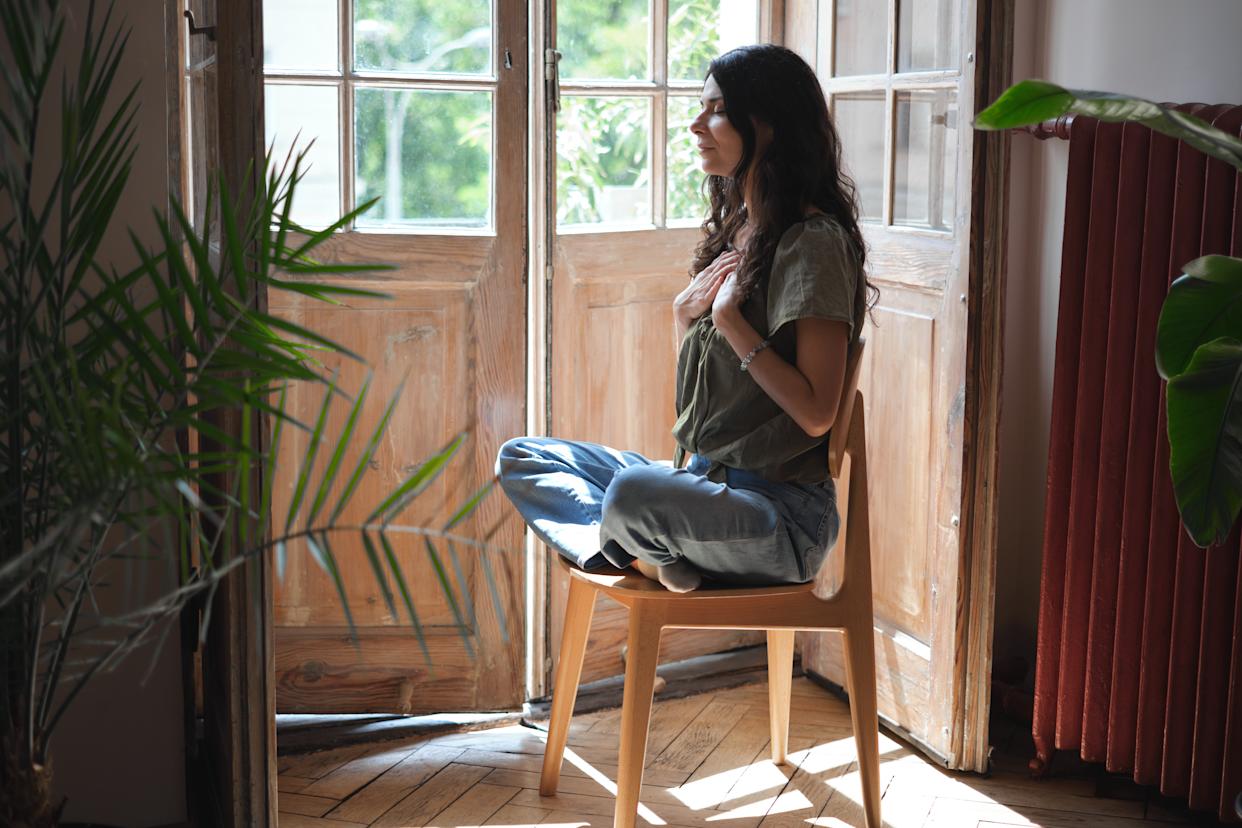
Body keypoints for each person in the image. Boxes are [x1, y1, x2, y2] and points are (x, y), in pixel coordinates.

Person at [496, 44, 876, 593]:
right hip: (701, 483)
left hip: (777, 520)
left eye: (717, 110)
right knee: (526, 457)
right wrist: (685, 318)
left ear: (768, 126)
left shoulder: (812, 243)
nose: (697, 123)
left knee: (632, 493)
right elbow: (721, 399)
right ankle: (640, 549)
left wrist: (732, 325)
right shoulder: (747, 229)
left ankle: (639, 547)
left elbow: (818, 414)